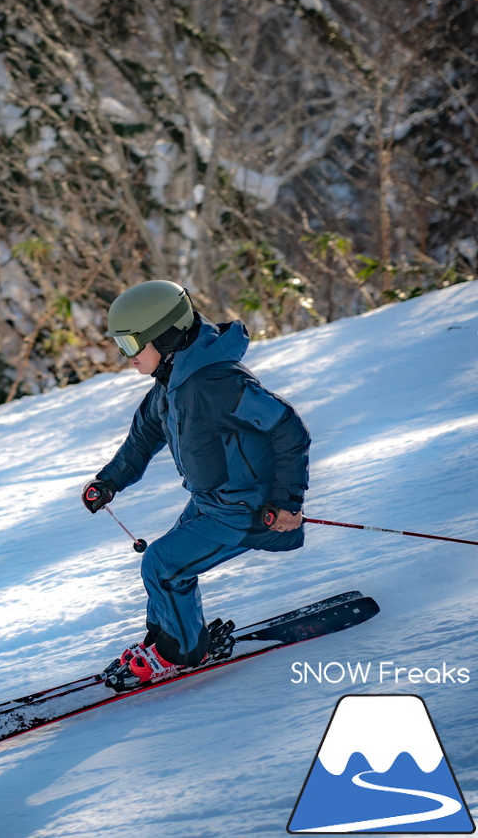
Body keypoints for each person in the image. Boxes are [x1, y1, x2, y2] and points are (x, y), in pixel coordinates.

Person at [81, 280, 310, 692]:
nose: (126, 357)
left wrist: (288, 501)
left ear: (165, 337)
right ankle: (167, 639)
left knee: (162, 566)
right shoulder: (171, 383)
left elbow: (288, 428)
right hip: (212, 501)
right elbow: (143, 437)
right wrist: (110, 481)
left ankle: (181, 652)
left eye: (132, 344)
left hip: (246, 508)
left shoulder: (215, 384)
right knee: (166, 564)